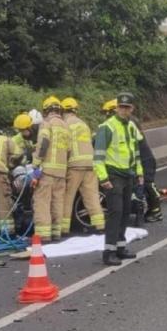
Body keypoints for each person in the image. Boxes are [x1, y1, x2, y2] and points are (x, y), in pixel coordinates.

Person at [94, 92, 144, 266]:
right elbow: (98, 156)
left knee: (124, 212)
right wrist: (103, 178)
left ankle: (121, 248)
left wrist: (139, 172)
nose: (124, 110)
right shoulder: (107, 127)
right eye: (121, 107)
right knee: (115, 213)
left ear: (132, 108)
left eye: (127, 107)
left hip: (128, 175)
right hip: (113, 176)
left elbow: (136, 152)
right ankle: (109, 252)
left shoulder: (131, 126)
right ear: (116, 108)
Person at [60, 97, 105, 235]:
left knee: (67, 197)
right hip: (90, 164)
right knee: (92, 196)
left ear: (63, 110)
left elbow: (64, 147)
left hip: (74, 165)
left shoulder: (65, 125)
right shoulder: (83, 124)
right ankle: (99, 225)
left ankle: (64, 228)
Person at [32, 96, 70, 242]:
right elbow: (68, 150)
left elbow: (43, 143)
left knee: (42, 202)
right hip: (61, 172)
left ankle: (43, 234)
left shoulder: (46, 123)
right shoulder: (65, 126)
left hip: (47, 171)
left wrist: (36, 163)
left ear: (46, 110)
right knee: (57, 202)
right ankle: (56, 233)